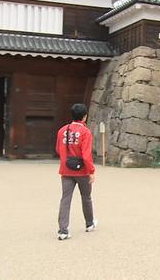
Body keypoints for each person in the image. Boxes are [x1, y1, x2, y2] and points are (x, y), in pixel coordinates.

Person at [55, 103, 96, 241]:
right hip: (82, 170)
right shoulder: (85, 132)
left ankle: (63, 230)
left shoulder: (62, 131)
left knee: (65, 199)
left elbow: (57, 149)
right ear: (84, 117)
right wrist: (91, 171)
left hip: (66, 170)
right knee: (86, 197)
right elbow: (86, 154)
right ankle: (89, 223)